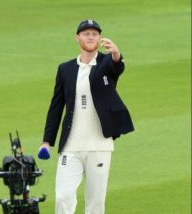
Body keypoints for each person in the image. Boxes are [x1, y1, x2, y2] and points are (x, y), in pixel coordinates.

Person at [39, 20, 134, 214]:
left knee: (95, 203)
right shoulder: (65, 69)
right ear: (77, 38)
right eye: (86, 33)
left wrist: (116, 54)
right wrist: (47, 141)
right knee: (63, 197)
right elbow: (56, 107)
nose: (90, 37)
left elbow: (117, 67)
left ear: (99, 38)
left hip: (99, 146)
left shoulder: (106, 63)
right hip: (70, 147)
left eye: (94, 34)